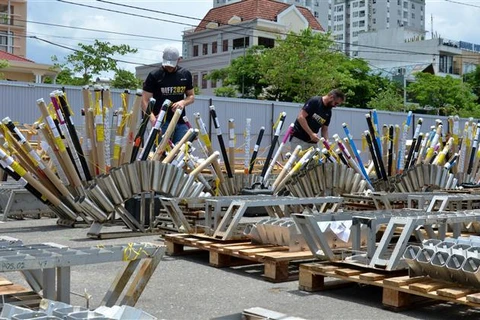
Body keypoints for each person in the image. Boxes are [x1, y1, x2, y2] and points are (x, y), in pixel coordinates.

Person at [142, 46, 195, 144]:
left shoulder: (185, 74)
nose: (169, 67)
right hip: (162, 122)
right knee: (161, 154)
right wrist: (153, 120)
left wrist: (183, 102)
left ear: (179, 60)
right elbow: (145, 100)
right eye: (167, 64)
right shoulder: (154, 75)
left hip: (181, 122)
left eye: (172, 65)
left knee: (181, 153)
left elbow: (191, 97)